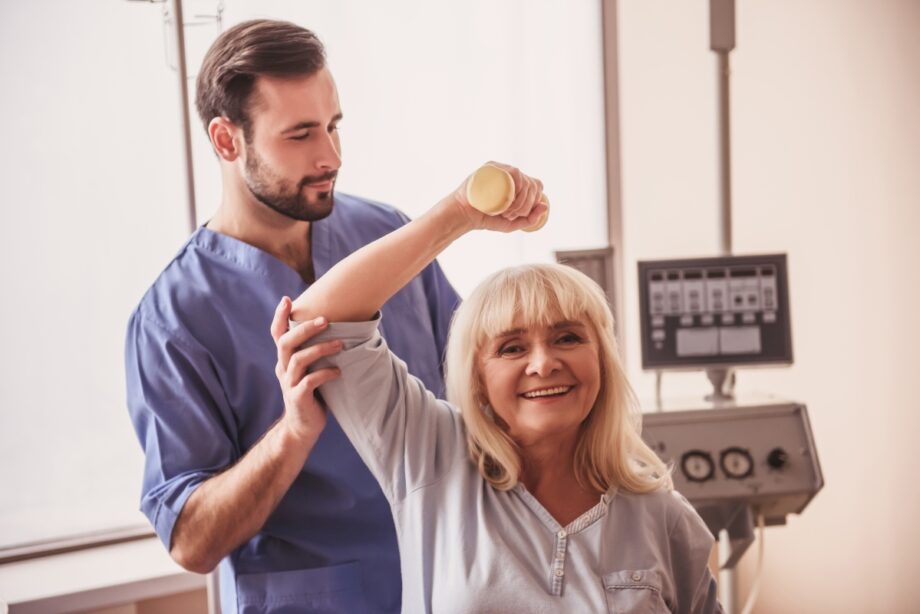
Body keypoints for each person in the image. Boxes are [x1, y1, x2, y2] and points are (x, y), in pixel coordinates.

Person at [274, 163, 722, 613]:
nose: (545, 364)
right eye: (511, 348)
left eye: (567, 338)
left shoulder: (662, 516)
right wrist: (460, 212)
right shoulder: (432, 455)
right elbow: (320, 317)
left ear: (602, 358)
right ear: (478, 378)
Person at [124, 19, 460, 613]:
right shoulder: (174, 318)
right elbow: (192, 542)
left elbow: (474, 384)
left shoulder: (387, 235)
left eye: (333, 126)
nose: (330, 155)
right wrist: (294, 435)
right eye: (301, 134)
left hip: (449, 578)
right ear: (228, 141)